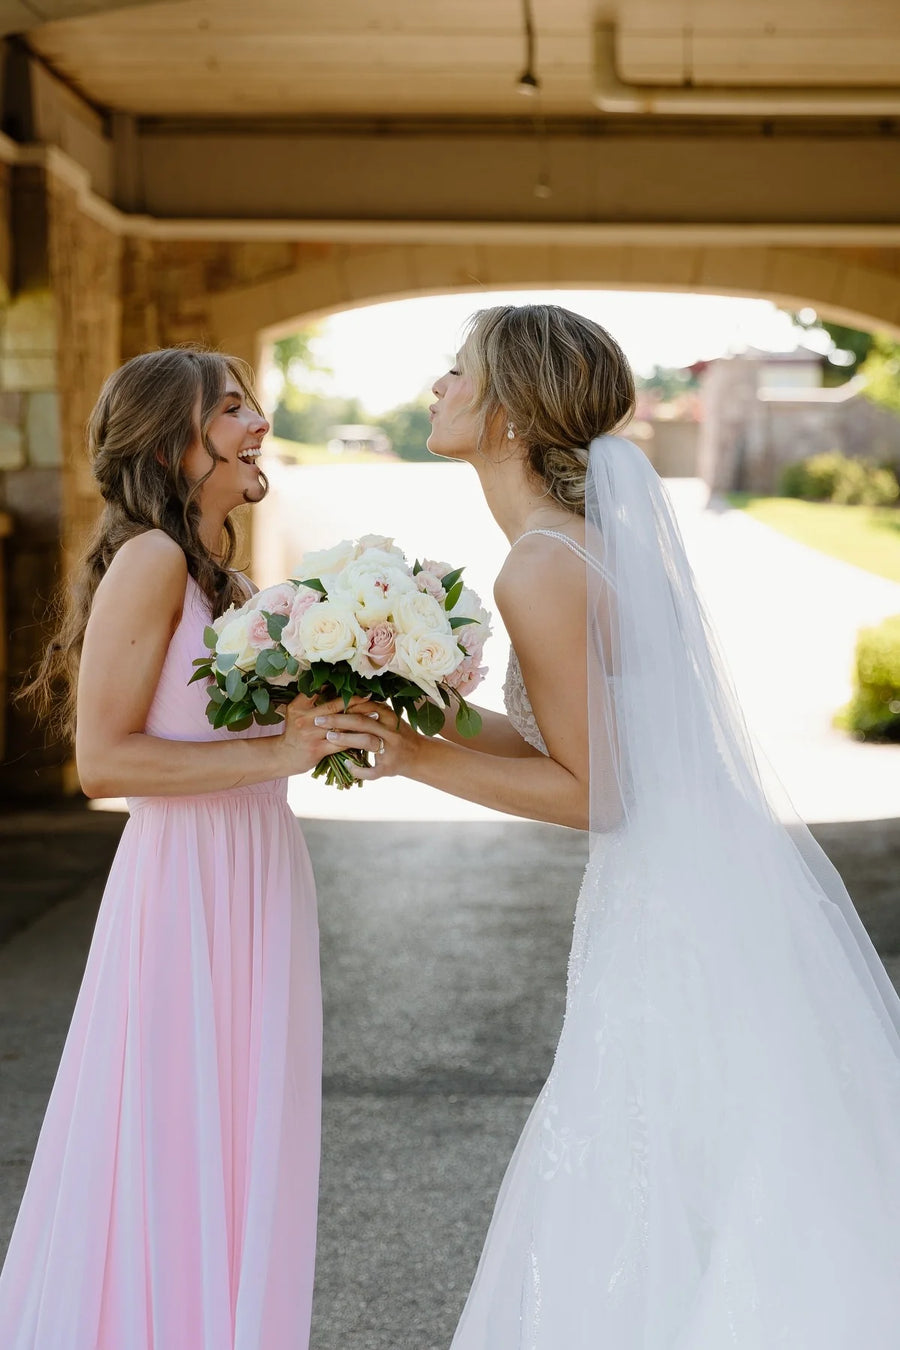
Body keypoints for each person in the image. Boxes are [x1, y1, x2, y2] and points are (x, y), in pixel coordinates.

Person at [317, 304, 900, 1347]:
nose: (437, 389)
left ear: (506, 415)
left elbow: (598, 792)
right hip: (695, 892)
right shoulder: (569, 550)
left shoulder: (540, 565)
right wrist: (410, 696)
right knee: (706, 1153)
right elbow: (581, 743)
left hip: (670, 909)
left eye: (457, 373)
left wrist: (416, 759)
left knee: (652, 1151)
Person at [0, 347, 351, 1350]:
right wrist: (278, 749)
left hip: (252, 867)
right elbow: (104, 759)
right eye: (232, 409)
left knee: (241, 1130)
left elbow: (236, 737)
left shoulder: (228, 576)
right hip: (189, 880)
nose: (259, 424)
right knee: (175, 1128)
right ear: (171, 443)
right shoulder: (153, 560)